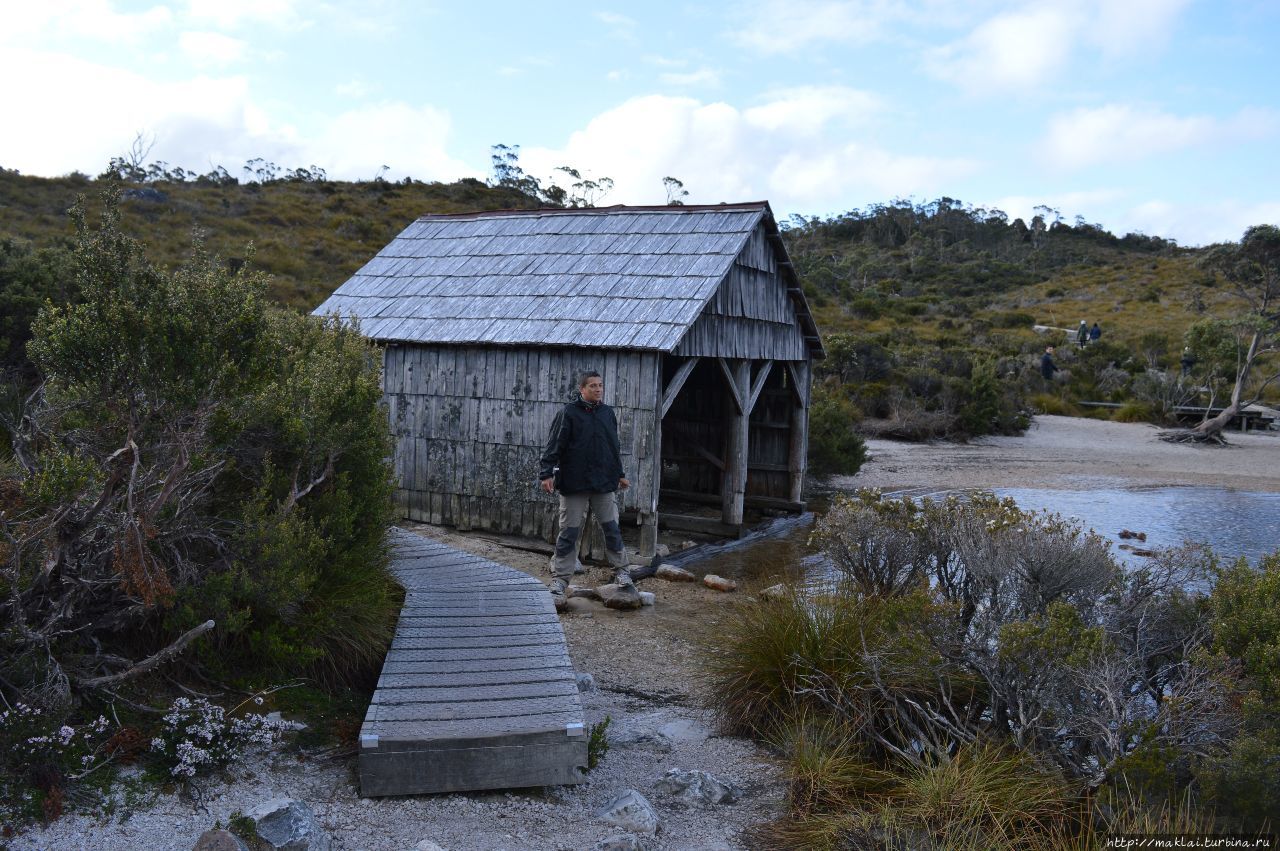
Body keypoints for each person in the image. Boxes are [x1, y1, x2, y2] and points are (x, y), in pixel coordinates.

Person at [539, 370, 631, 603]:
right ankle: (560, 580)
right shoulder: (568, 413)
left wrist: (619, 474)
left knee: (612, 529)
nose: (598, 389)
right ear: (582, 389)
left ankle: (622, 573)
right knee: (569, 533)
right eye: (592, 386)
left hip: (603, 483)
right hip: (574, 483)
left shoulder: (608, 413)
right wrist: (546, 473)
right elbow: (554, 445)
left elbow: (613, 446)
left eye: (600, 385)